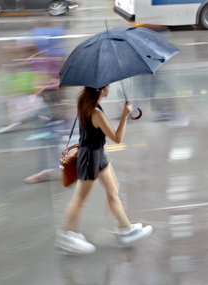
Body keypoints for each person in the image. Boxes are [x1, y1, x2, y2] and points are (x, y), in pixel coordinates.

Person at [55, 85, 153, 255]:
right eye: (108, 86)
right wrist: (124, 115)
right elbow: (117, 138)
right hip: (90, 158)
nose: (110, 88)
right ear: (100, 89)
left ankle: (125, 229)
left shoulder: (85, 100)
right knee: (80, 199)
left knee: (113, 189)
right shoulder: (96, 112)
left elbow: (94, 132)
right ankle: (67, 237)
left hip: (98, 154)